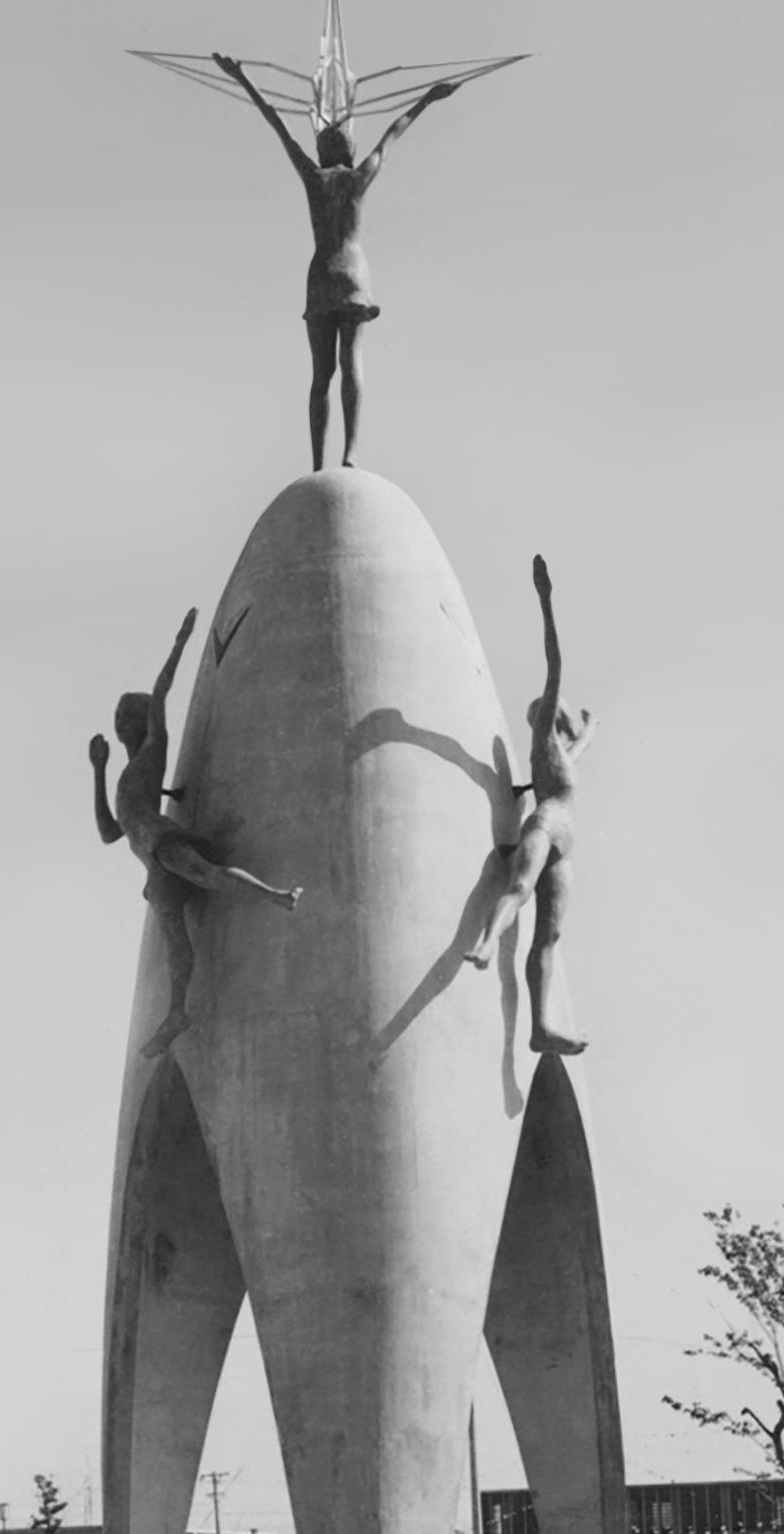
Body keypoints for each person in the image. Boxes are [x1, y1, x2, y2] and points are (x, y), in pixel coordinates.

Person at [212, 55, 462, 470]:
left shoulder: (313, 178)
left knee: (320, 376)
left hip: (322, 277)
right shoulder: (358, 177)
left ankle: (317, 463)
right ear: (350, 148)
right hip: (352, 276)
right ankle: (349, 454)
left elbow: (276, 125)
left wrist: (242, 78)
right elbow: (392, 135)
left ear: (322, 149)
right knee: (352, 367)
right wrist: (427, 99)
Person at [90, 607, 302, 1057]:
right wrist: (98, 768)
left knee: (207, 874)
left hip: (164, 842)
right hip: (151, 862)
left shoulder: (152, 751)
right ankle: (178, 1011)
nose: (120, 725)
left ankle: (276, 895)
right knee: (175, 941)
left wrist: (180, 644)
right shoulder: (125, 773)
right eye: (118, 718)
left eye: (126, 716)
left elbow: (162, 695)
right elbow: (109, 832)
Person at [463, 555, 596, 1054]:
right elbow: (554, 664)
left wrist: (591, 728)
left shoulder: (564, 755)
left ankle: (541, 1028)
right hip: (543, 826)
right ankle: (485, 942)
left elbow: (582, 744)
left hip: (565, 843)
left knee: (550, 936)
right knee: (519, 888)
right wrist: (545, 602)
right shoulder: (542, 742)